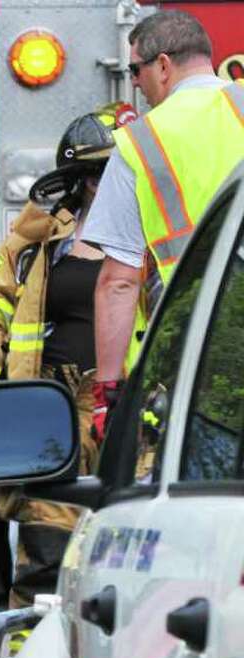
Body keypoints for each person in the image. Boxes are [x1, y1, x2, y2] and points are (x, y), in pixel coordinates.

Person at [0, 107, 132, 607]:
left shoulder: (165, 238)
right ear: (83, 181)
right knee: (45, 570)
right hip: (54, 422)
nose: (112, 185)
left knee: (130, 571)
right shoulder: (41, 238)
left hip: (134, 419)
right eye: (101, 175)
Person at [83, 9, 244, 439]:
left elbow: (118, 281)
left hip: (202, 348)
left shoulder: (140, 142)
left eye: (136, 70)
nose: (133, 81)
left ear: (164, 66)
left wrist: (108, 391)